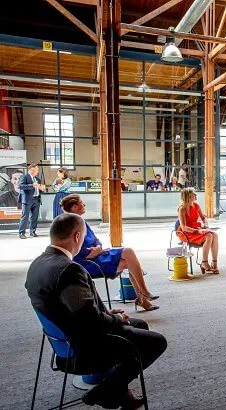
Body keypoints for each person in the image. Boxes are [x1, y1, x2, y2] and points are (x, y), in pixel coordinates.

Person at [25, 213, 167, 409]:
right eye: (82, 236)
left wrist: (108, 313)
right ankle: (106, 391)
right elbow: (90, 321)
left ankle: (118, 391)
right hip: (83, 349)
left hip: (63, 339)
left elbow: (73, 309)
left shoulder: (38, 263)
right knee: (157, 343)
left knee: (140, 325)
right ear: (77, 237)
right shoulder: (68, 270)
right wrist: (116, 318)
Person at [60, 194, 159, 311]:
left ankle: (143, 294)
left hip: (97, 256)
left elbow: (96, 240)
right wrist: (96, 251)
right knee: (130, 262)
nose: (84, 204)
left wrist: (98, 248)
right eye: (81, 202)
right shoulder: (69, 225)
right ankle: (143, 296)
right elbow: (76, 250)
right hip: (87, 263)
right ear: (75, 207)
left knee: (129, 252)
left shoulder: (81, 221)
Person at [177, 187, 220, 274]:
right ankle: (204, 262)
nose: (196, 195)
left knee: (215, 235)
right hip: (186, 232)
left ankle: (214, 263)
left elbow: (204, 218)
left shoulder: (196, 206)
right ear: (188, 196)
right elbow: (184, 227)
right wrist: (198, 231)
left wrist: (205, 225)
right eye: (194, 194)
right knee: (209, 236)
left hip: (196, 229)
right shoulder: (182, 209)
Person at [18, 164, 44, 239]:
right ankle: (22, 233)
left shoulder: (38, 179)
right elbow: (21, 186)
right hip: (27, 200)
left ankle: (32, 231)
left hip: (36, 199)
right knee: (25, 216)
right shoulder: (24, 177)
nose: (38, 171)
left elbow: (38, 189)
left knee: (34, 217)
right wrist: (32, 185)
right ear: (31, 170)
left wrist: (42, 189)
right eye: (37, 170)